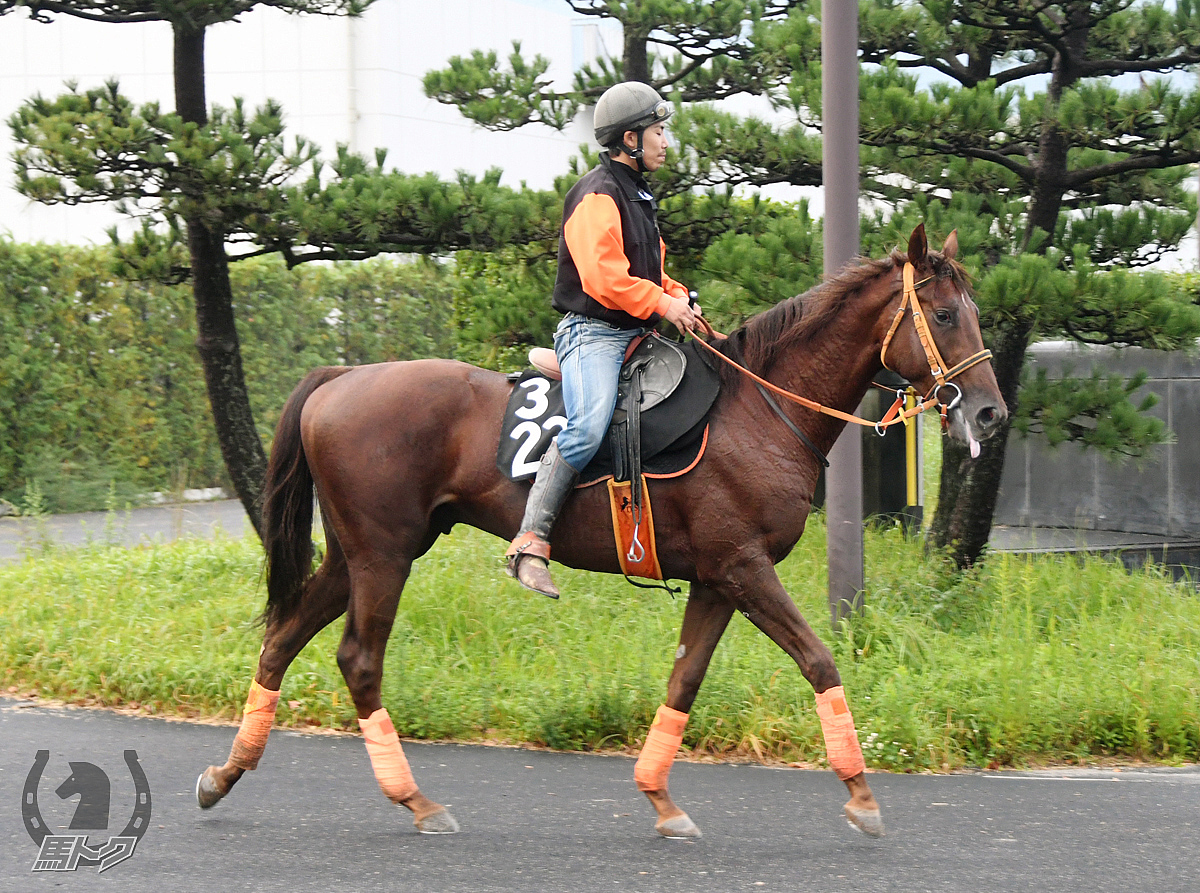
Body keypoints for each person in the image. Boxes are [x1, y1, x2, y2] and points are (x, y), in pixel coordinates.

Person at [505, 81, 701, 599]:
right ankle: (530, 541)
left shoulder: (638, 195)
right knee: (589, 428)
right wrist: (663, 304)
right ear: (630, 138)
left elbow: (651, 272)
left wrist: (681, 298)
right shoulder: (597, 194)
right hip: (593, 333)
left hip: (636, 330)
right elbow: (603, 278)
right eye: (658, 132)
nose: (665, 142)